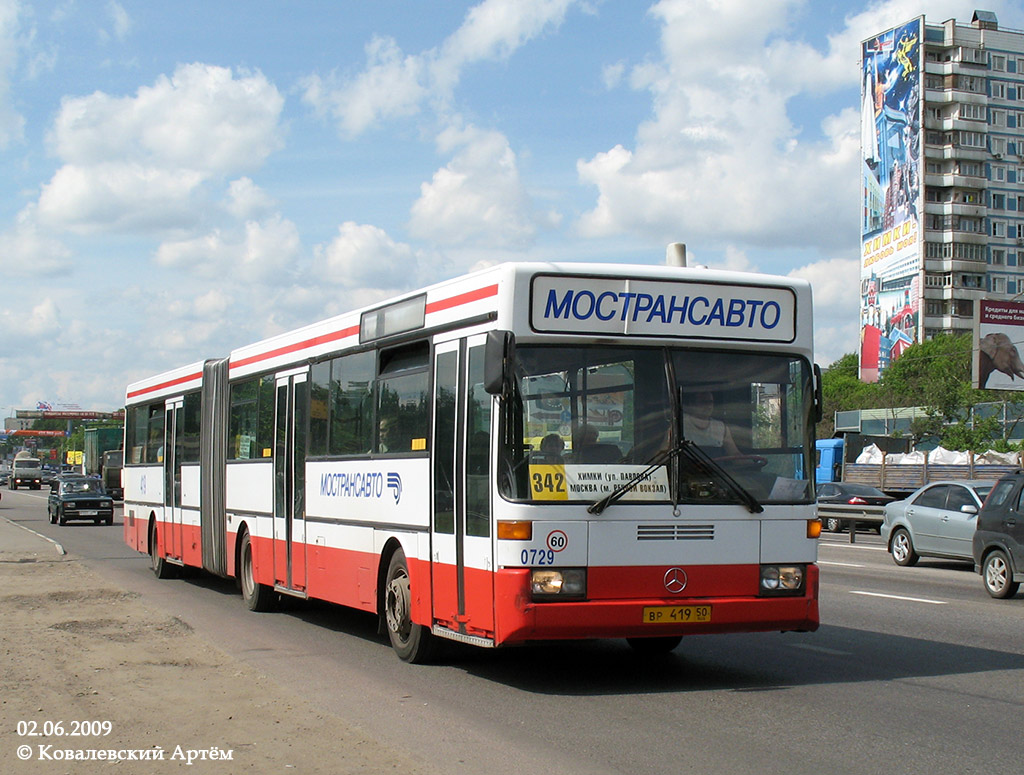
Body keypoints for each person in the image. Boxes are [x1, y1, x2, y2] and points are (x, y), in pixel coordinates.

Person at [682, 391, 740, 458]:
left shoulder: (721, 428)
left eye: (710, 402)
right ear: (691, 404)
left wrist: (751, 463)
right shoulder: (679, 425)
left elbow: (734, 455)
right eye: (703, 402)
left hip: (713, 468)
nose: (708, 406)